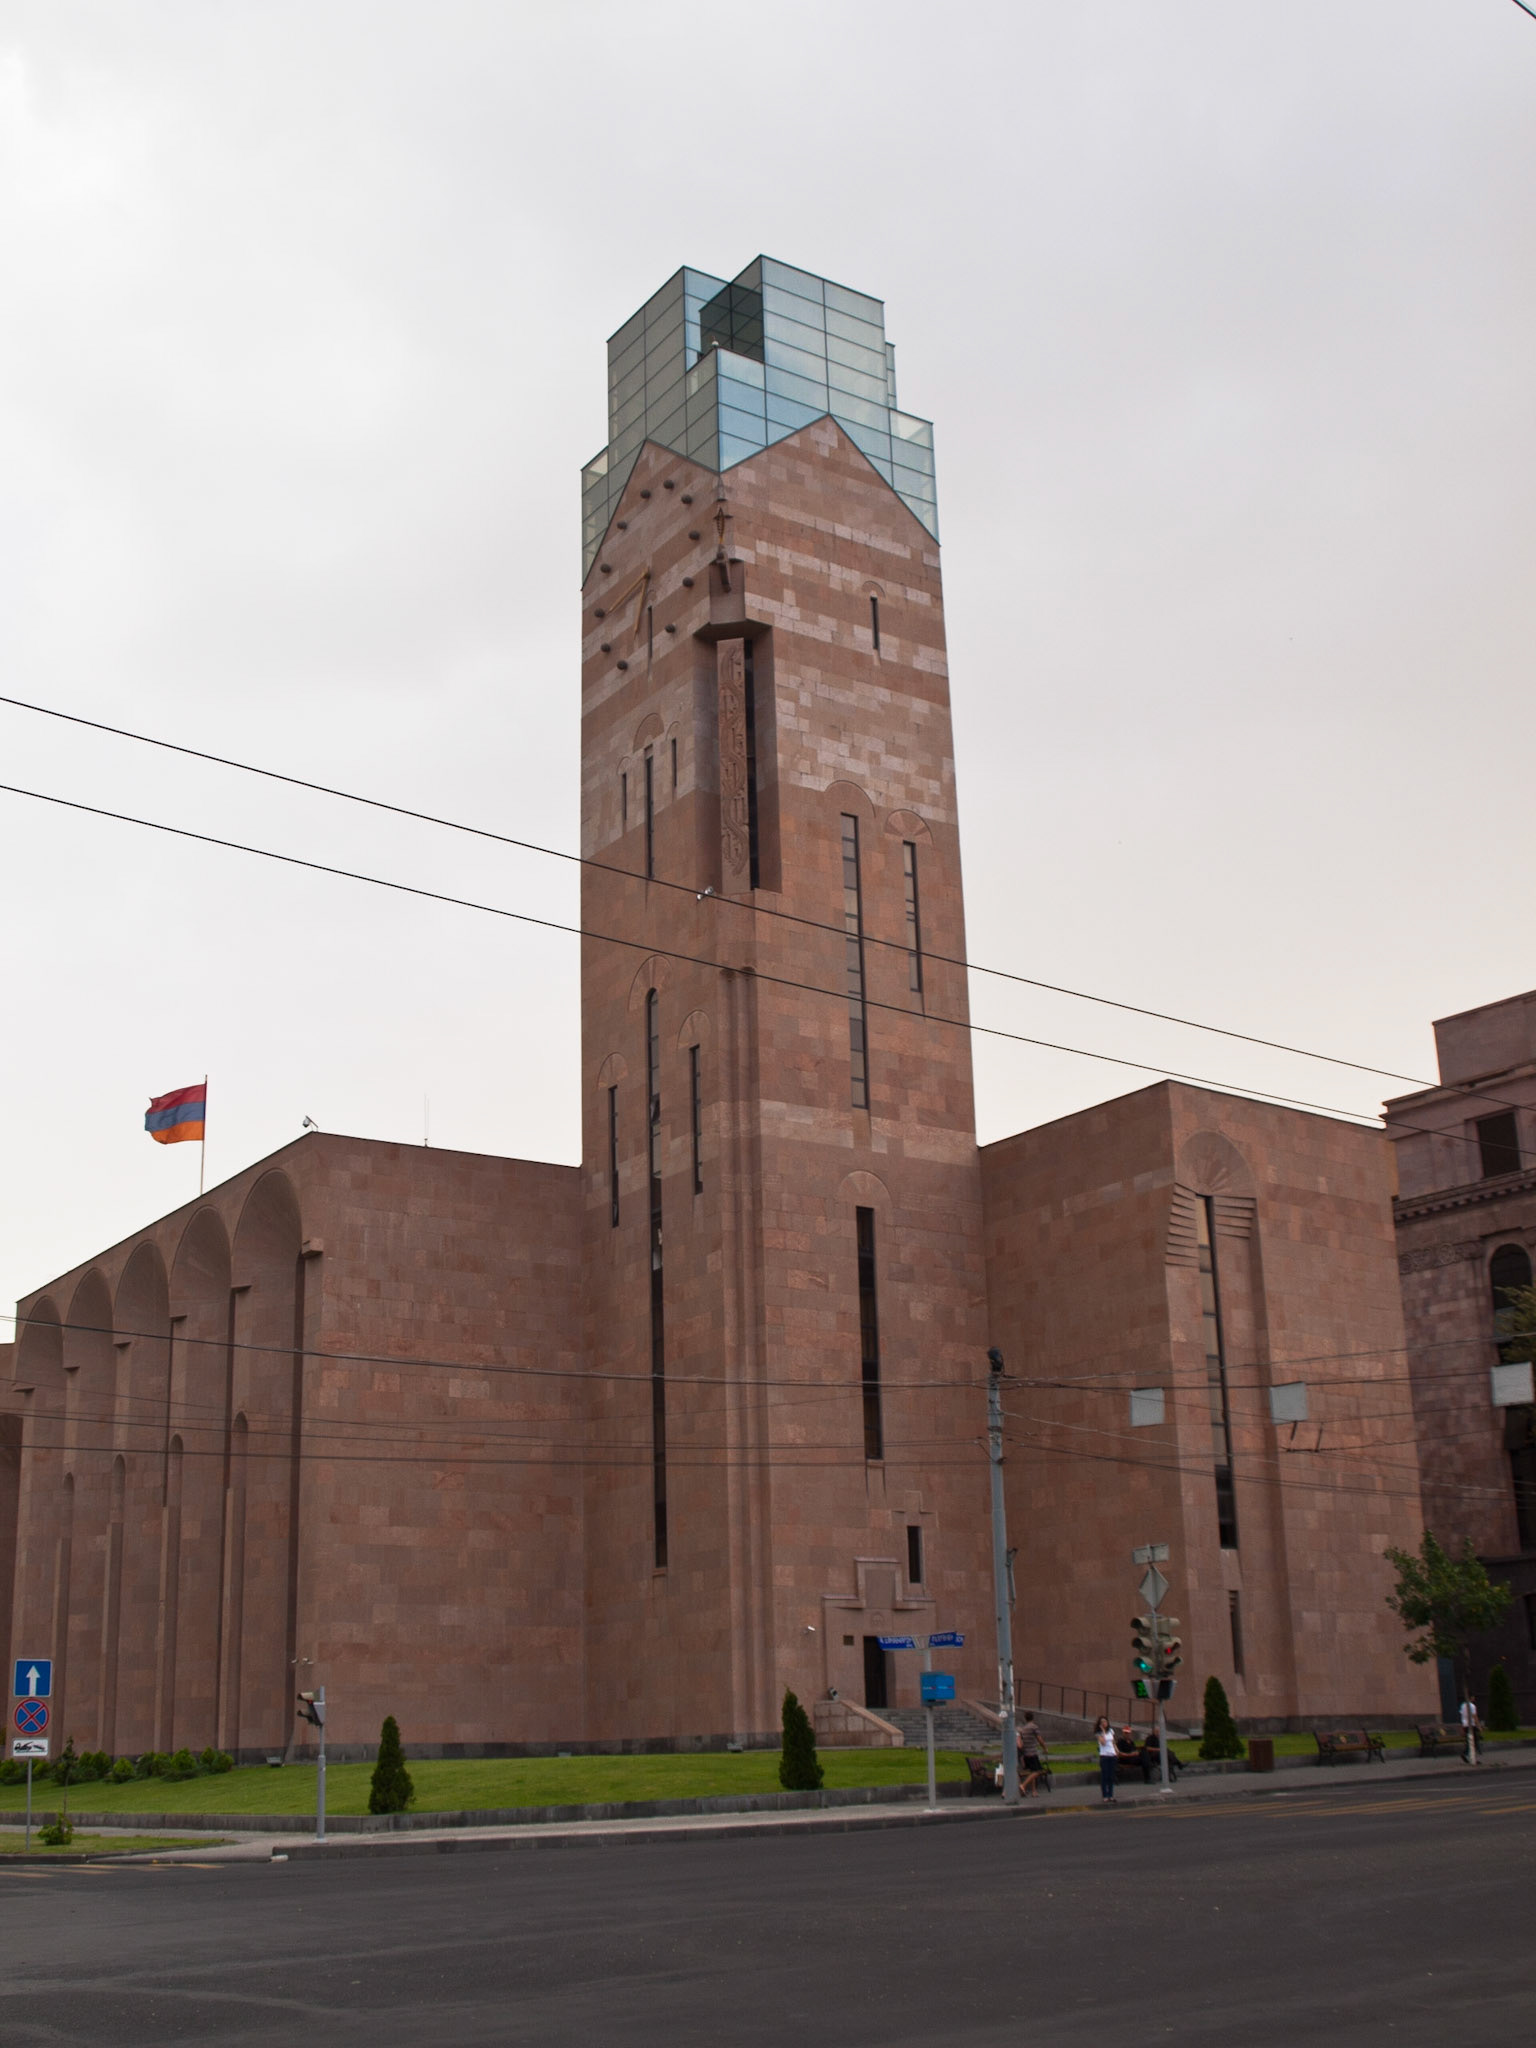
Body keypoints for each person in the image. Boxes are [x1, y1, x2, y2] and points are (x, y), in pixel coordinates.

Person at [1018, 1713, 1048, 1797]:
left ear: (1025, 1718)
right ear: (1033, 1718)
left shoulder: (1023, 1729)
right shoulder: (1034, 1727)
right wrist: (1045, 1747)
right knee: (1037, 1771)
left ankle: (1034, 1792)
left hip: (1026, 1754)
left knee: (1032, 1772)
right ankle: (1023, 1785)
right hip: (1032, 1753)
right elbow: (1039, 1739)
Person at [1094, 1716, 1119, 1804]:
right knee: (1105, 1776)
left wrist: (1116, 1750)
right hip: (1104, 1755)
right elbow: (1103, 1742)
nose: (1104, 1723)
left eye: (1105, 1721)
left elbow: (1113, 1742)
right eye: (1102, 1722)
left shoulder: (1111, 1731)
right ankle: (1105, 1795)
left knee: (1111, 1776)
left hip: (1112, 1755)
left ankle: (1111, 1795)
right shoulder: (1098, 1733)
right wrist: (1103, 1731)